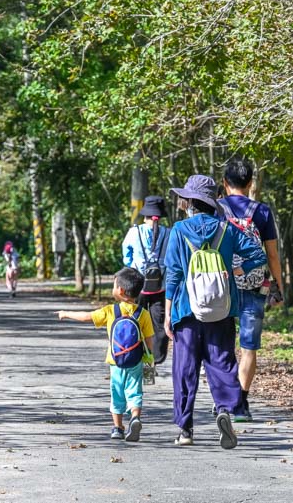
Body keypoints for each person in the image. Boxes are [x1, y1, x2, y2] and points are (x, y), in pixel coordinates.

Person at [163, 174, 267, 449]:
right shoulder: (228, 229)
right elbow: (259, 255)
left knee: (185, 369)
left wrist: (167, 313)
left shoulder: (178, 231)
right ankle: (223, 410)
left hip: (186, 311)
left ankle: (185, 430)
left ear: (189, 202)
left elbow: (172, 275)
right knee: (221, 363)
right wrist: (237, 271)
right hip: (222, 309)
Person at [56, 268, 155, 442]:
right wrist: (148, 357)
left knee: (117, 392)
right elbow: (149, 340)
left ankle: (118, 428)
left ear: (121, 291)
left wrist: (66, 313)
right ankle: (135, 418)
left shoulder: (111, 311)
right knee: (134, 392)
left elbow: (87, 316)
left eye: (114, 284)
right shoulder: (143, 314)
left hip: (116, 361)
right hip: (136, 361)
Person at [219, 159, 284, 422]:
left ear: (225, 183)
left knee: (222, 345)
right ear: (250, 184)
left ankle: (223, 400)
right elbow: (272, 254)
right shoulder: (263, 212)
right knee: (248, 347)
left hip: (222, 287)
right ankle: (242, 404)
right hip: (255, 285)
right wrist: (278, 285)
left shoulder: (216, 209)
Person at [121, 195, 170, 379]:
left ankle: (135, 360)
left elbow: (126, 256)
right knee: (158, 327)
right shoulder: (169, 232)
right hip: (161, 287)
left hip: (138, 287)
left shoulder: (134, 233)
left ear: (145, 215)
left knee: (136, 322)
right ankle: (153, 362)